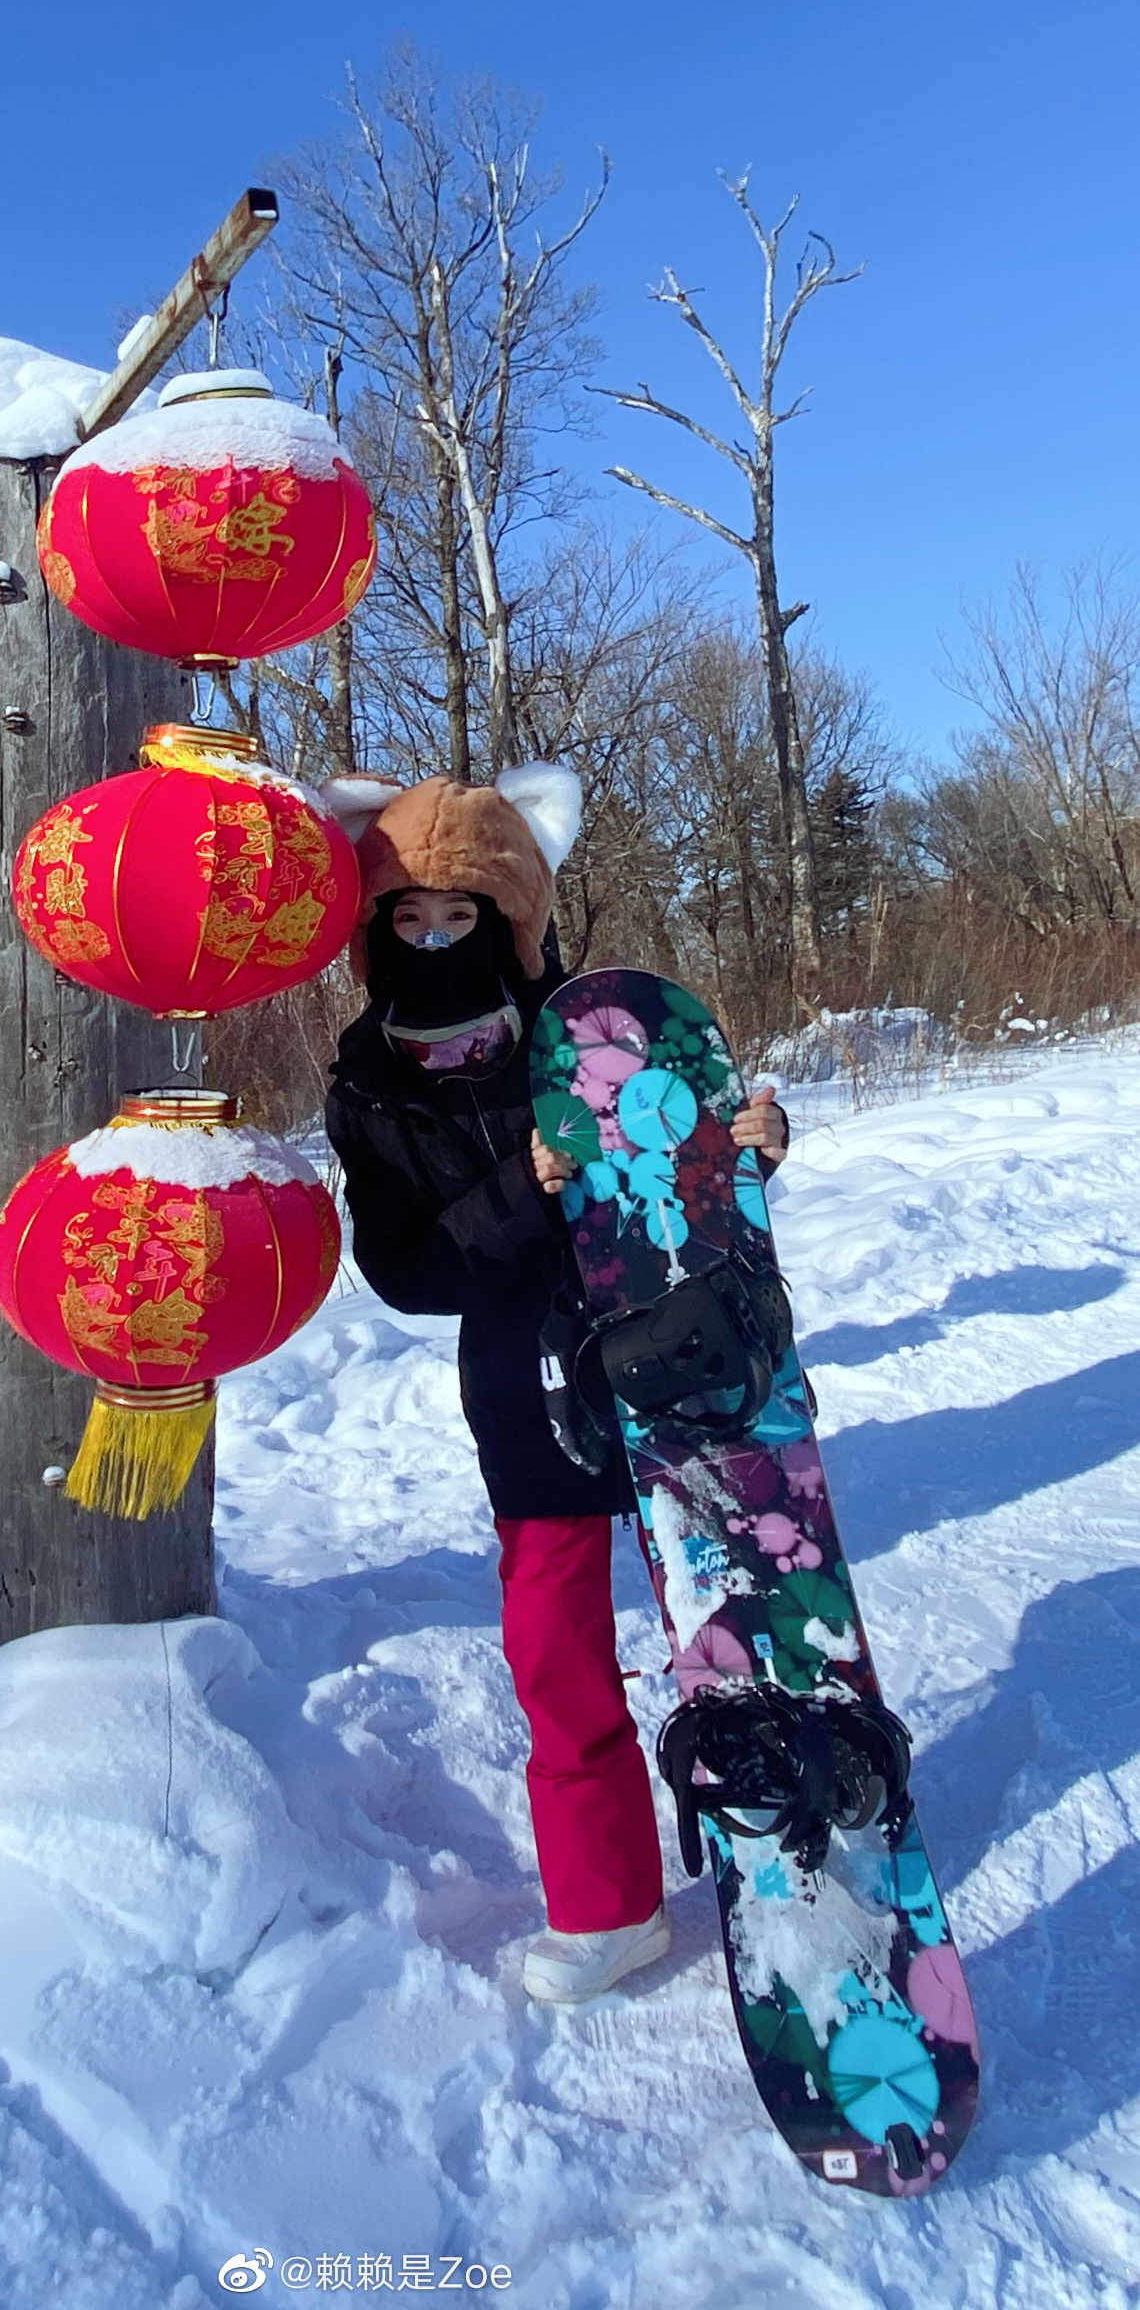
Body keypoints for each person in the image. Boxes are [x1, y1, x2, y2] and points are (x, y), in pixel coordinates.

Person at [322, 766, 789, 2007]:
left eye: (459, 916)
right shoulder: (369, 1079)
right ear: (377, 929)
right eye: (410, 919)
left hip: (674, 1352)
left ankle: (798, 1837)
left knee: (738, 1615)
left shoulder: (593, 1030)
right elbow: (407, 1268)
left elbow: (692, 1177)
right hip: (529, 1391)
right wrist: (520, 1188)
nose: (432, 940)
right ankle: (608, 1908)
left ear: (509, 918)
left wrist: (746, 1144)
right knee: (556, 1652)